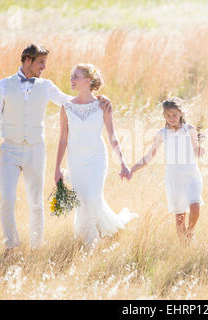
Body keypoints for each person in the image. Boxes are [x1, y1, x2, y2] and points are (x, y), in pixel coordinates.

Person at [0, 43, 112, 254]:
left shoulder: (46, 86)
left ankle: (36, 247)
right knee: (7, 198)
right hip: (10, 149)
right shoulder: (4, 85)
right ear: (28, 60)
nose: (44, 67)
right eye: (41, 63)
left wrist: (99, 98)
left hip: (36, 149)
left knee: (36, 202)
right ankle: (11, 245)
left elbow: (71, 100)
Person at [54, 63, 138, 246]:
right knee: (82, 202)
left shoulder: (103, 105)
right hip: (75, 161)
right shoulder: (66, 107)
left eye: (76, 76)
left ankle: (106, 232)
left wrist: (123, 163)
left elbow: (112, 135)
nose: (71, 80)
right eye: (71, 76)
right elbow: (62, 139)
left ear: (88, 81)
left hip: (96, 159)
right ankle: (90, 243)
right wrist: (57, 169)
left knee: (92, 197)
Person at [128, 97, 204, 243]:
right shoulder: (162, 133)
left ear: (181, 113)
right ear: (164, 116)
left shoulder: (190, 130)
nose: (171, 118)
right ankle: (184, 246)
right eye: (168, 115)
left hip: (191, 174)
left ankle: (191, 232)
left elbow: (195, 150)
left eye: (174, 115)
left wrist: (200, 151)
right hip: (174, 177)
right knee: (179, 216)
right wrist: (132, 169)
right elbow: (149, 156)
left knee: (195, 205)